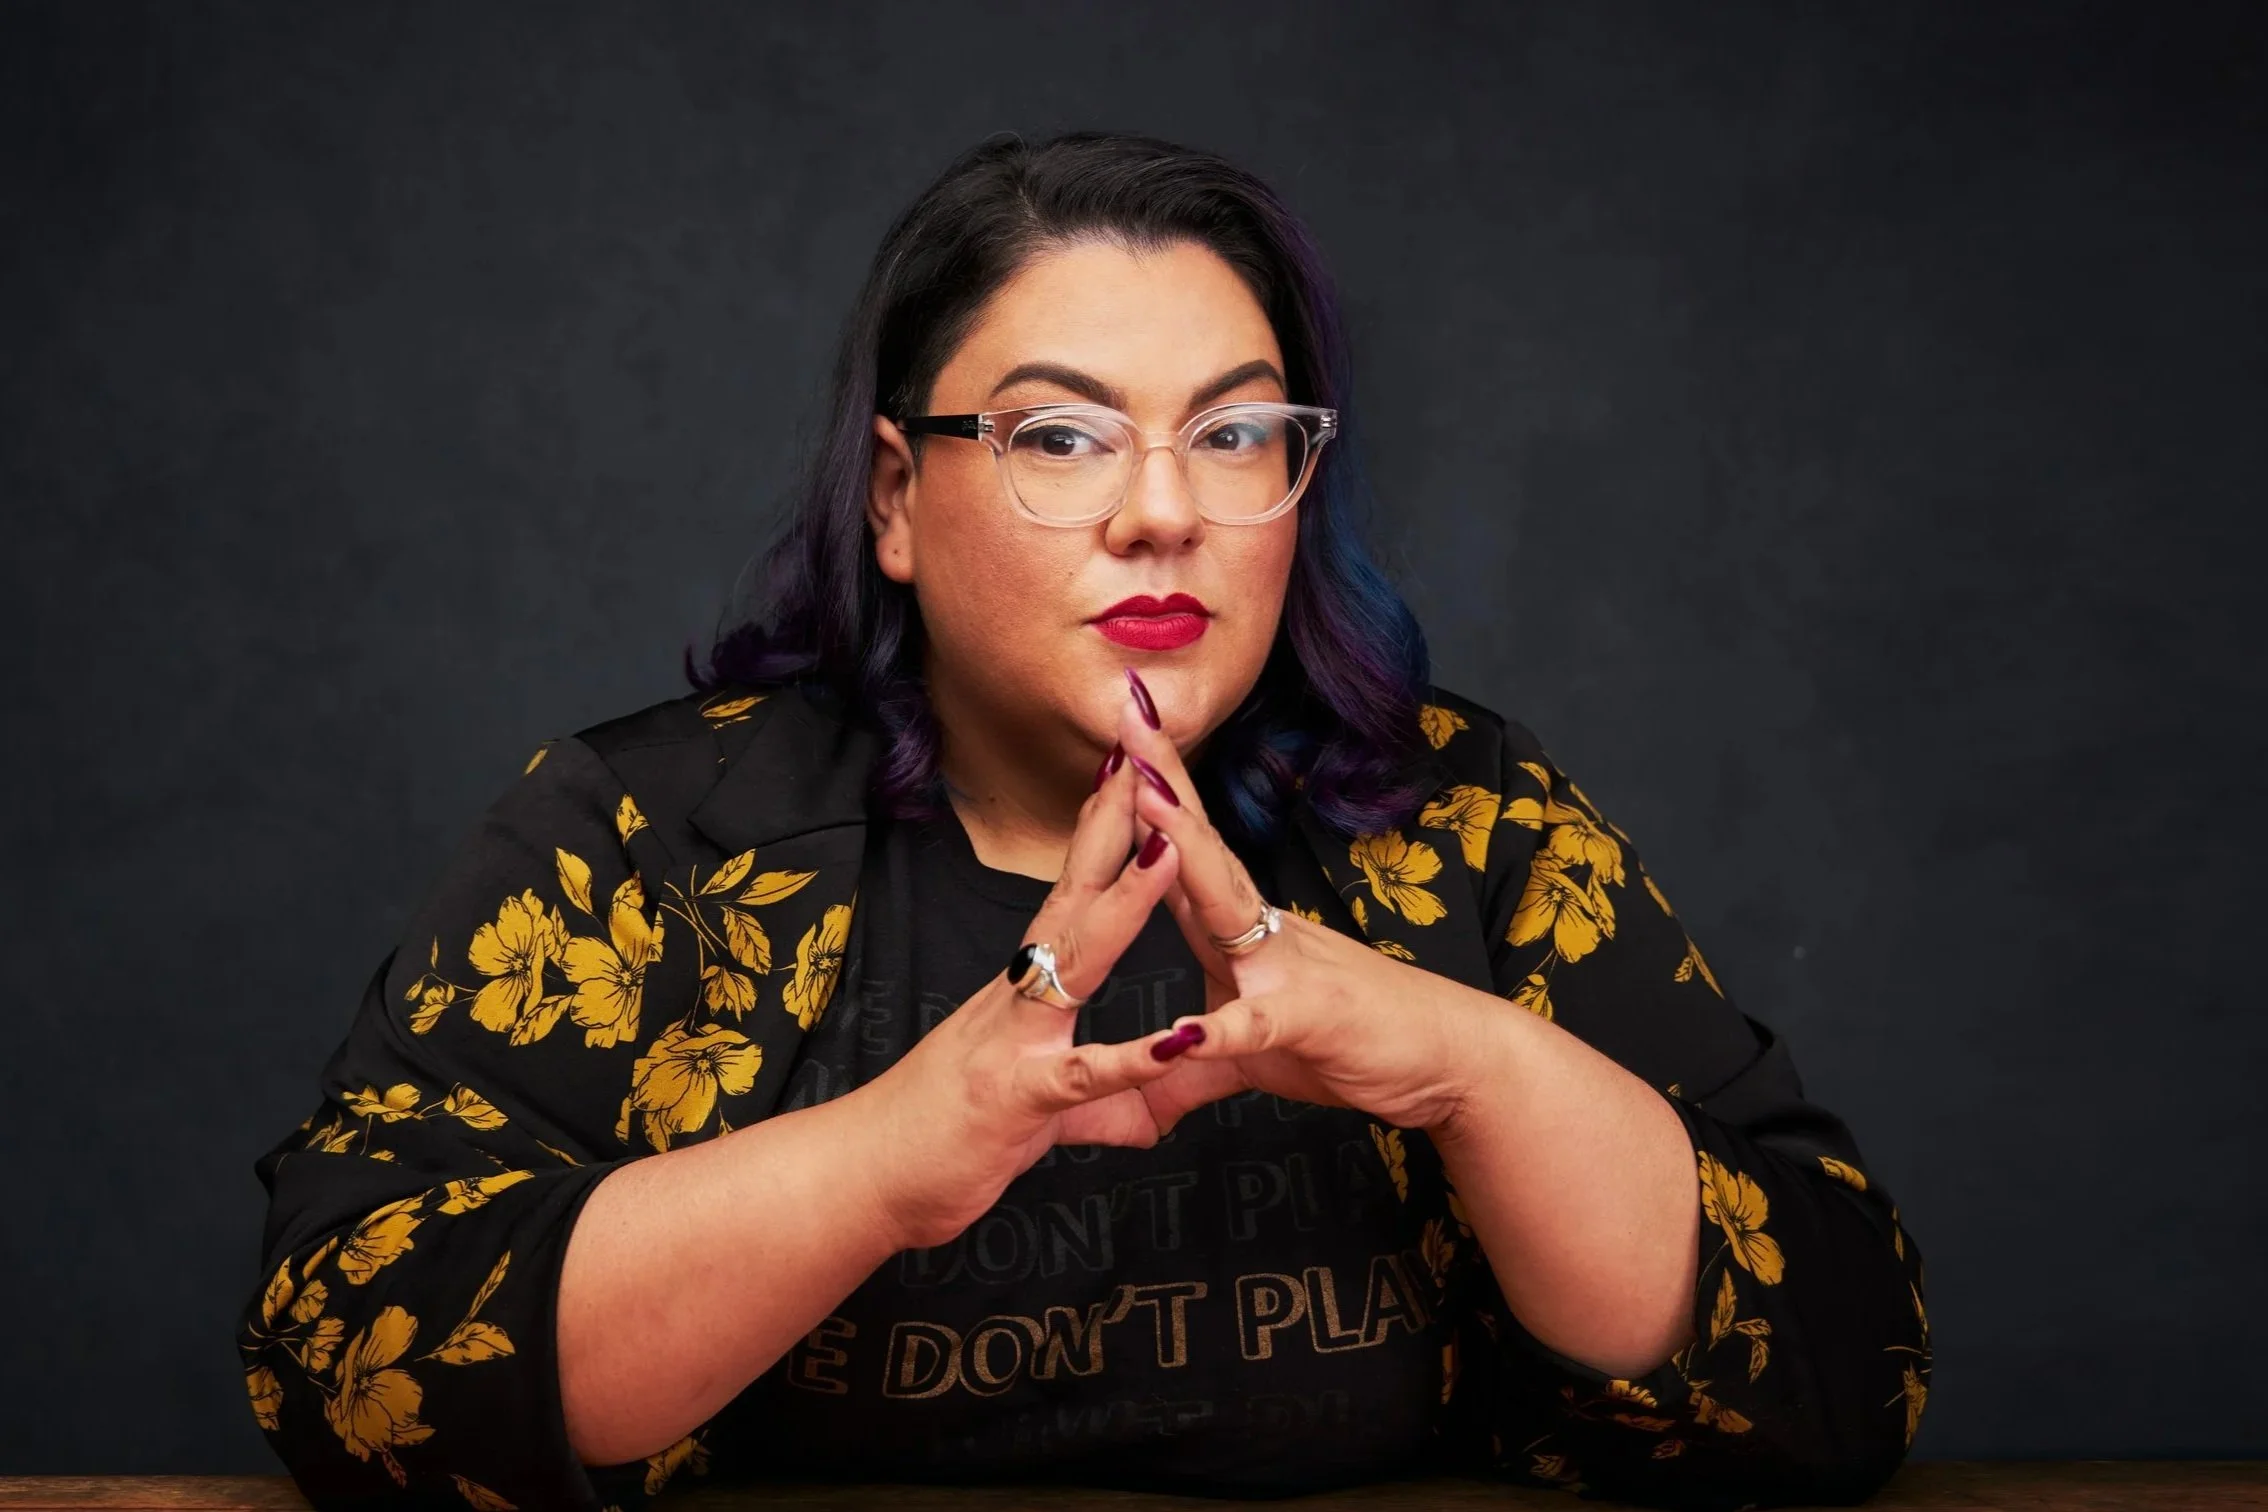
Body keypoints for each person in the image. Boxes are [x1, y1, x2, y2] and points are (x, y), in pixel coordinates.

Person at [238, 131, 1930, 1512]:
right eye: (1061, 436)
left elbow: (1847, 1369)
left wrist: (1464, 1061)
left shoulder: (1464, 820)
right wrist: (901, 1153)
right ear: (896, 498)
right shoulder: (653, 837)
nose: (1164, 512)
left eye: (1238, 431)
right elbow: (350, 1364)